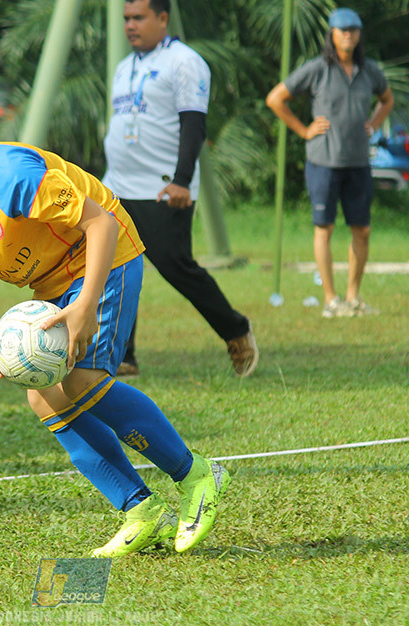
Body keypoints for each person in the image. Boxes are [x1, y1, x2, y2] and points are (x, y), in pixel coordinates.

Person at [0, 106, 231, 557]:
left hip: (103, 257)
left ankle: (196, 476)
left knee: (81, 380)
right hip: (52, 279)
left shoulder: (7, 175)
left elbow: (101, 223)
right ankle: (141, 511)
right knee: (44, 394)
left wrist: (86, 306)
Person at [102, 0, 257, 378]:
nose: (130, 26)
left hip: (162, 188)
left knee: (176, 268)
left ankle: (236, 329)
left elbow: (193, 126)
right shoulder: (125, 68)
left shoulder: (184, 62)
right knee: (113, 267)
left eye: (138, 18)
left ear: (163, 18)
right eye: (126, 19)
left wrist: (182, 181)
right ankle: (123, 355)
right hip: (117, 186)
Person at [266, 7, 394, 318]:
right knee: (324, 227)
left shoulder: (369, 71)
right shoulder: (317, 69)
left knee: (361, 229)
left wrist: (374, 124)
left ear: (359, 34)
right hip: (323, 161)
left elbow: (387, 99)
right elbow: (275, 99)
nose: (348, 35)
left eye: (353, 30)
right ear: (332, 35)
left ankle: (353, 297)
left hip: (358, 162)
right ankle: (330, 299)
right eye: (342, 30)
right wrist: (304, 130)